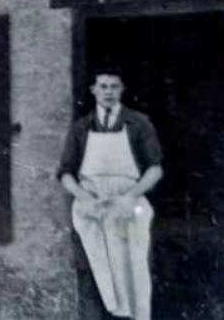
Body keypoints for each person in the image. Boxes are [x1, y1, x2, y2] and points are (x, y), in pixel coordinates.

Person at [57, 70, 163, 320]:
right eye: (103, 86)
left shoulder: (138, 123)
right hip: (93, 205)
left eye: (114, 86)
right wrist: (84, 197)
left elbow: (155, 169)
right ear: (94, 90)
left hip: (128, 203)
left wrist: (131, 196)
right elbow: (65, 173)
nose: (108, 92)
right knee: (97, 268)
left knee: (134, 266)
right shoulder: (81, 128)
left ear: (122, 89)